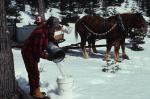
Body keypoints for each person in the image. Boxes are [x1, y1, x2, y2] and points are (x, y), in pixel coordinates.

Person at [21, 16, 61, 99]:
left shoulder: (46, 29)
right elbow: (37, 51)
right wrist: (48, 57)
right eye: (54, 27)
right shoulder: (40, 33)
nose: (54, 29)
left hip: (32, 52)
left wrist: (56, 45)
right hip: (28, 52)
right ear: (50, 25)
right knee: (34, 73)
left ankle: (34, 91)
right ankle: (36, 93)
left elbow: (49, 38)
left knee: (34, 72)